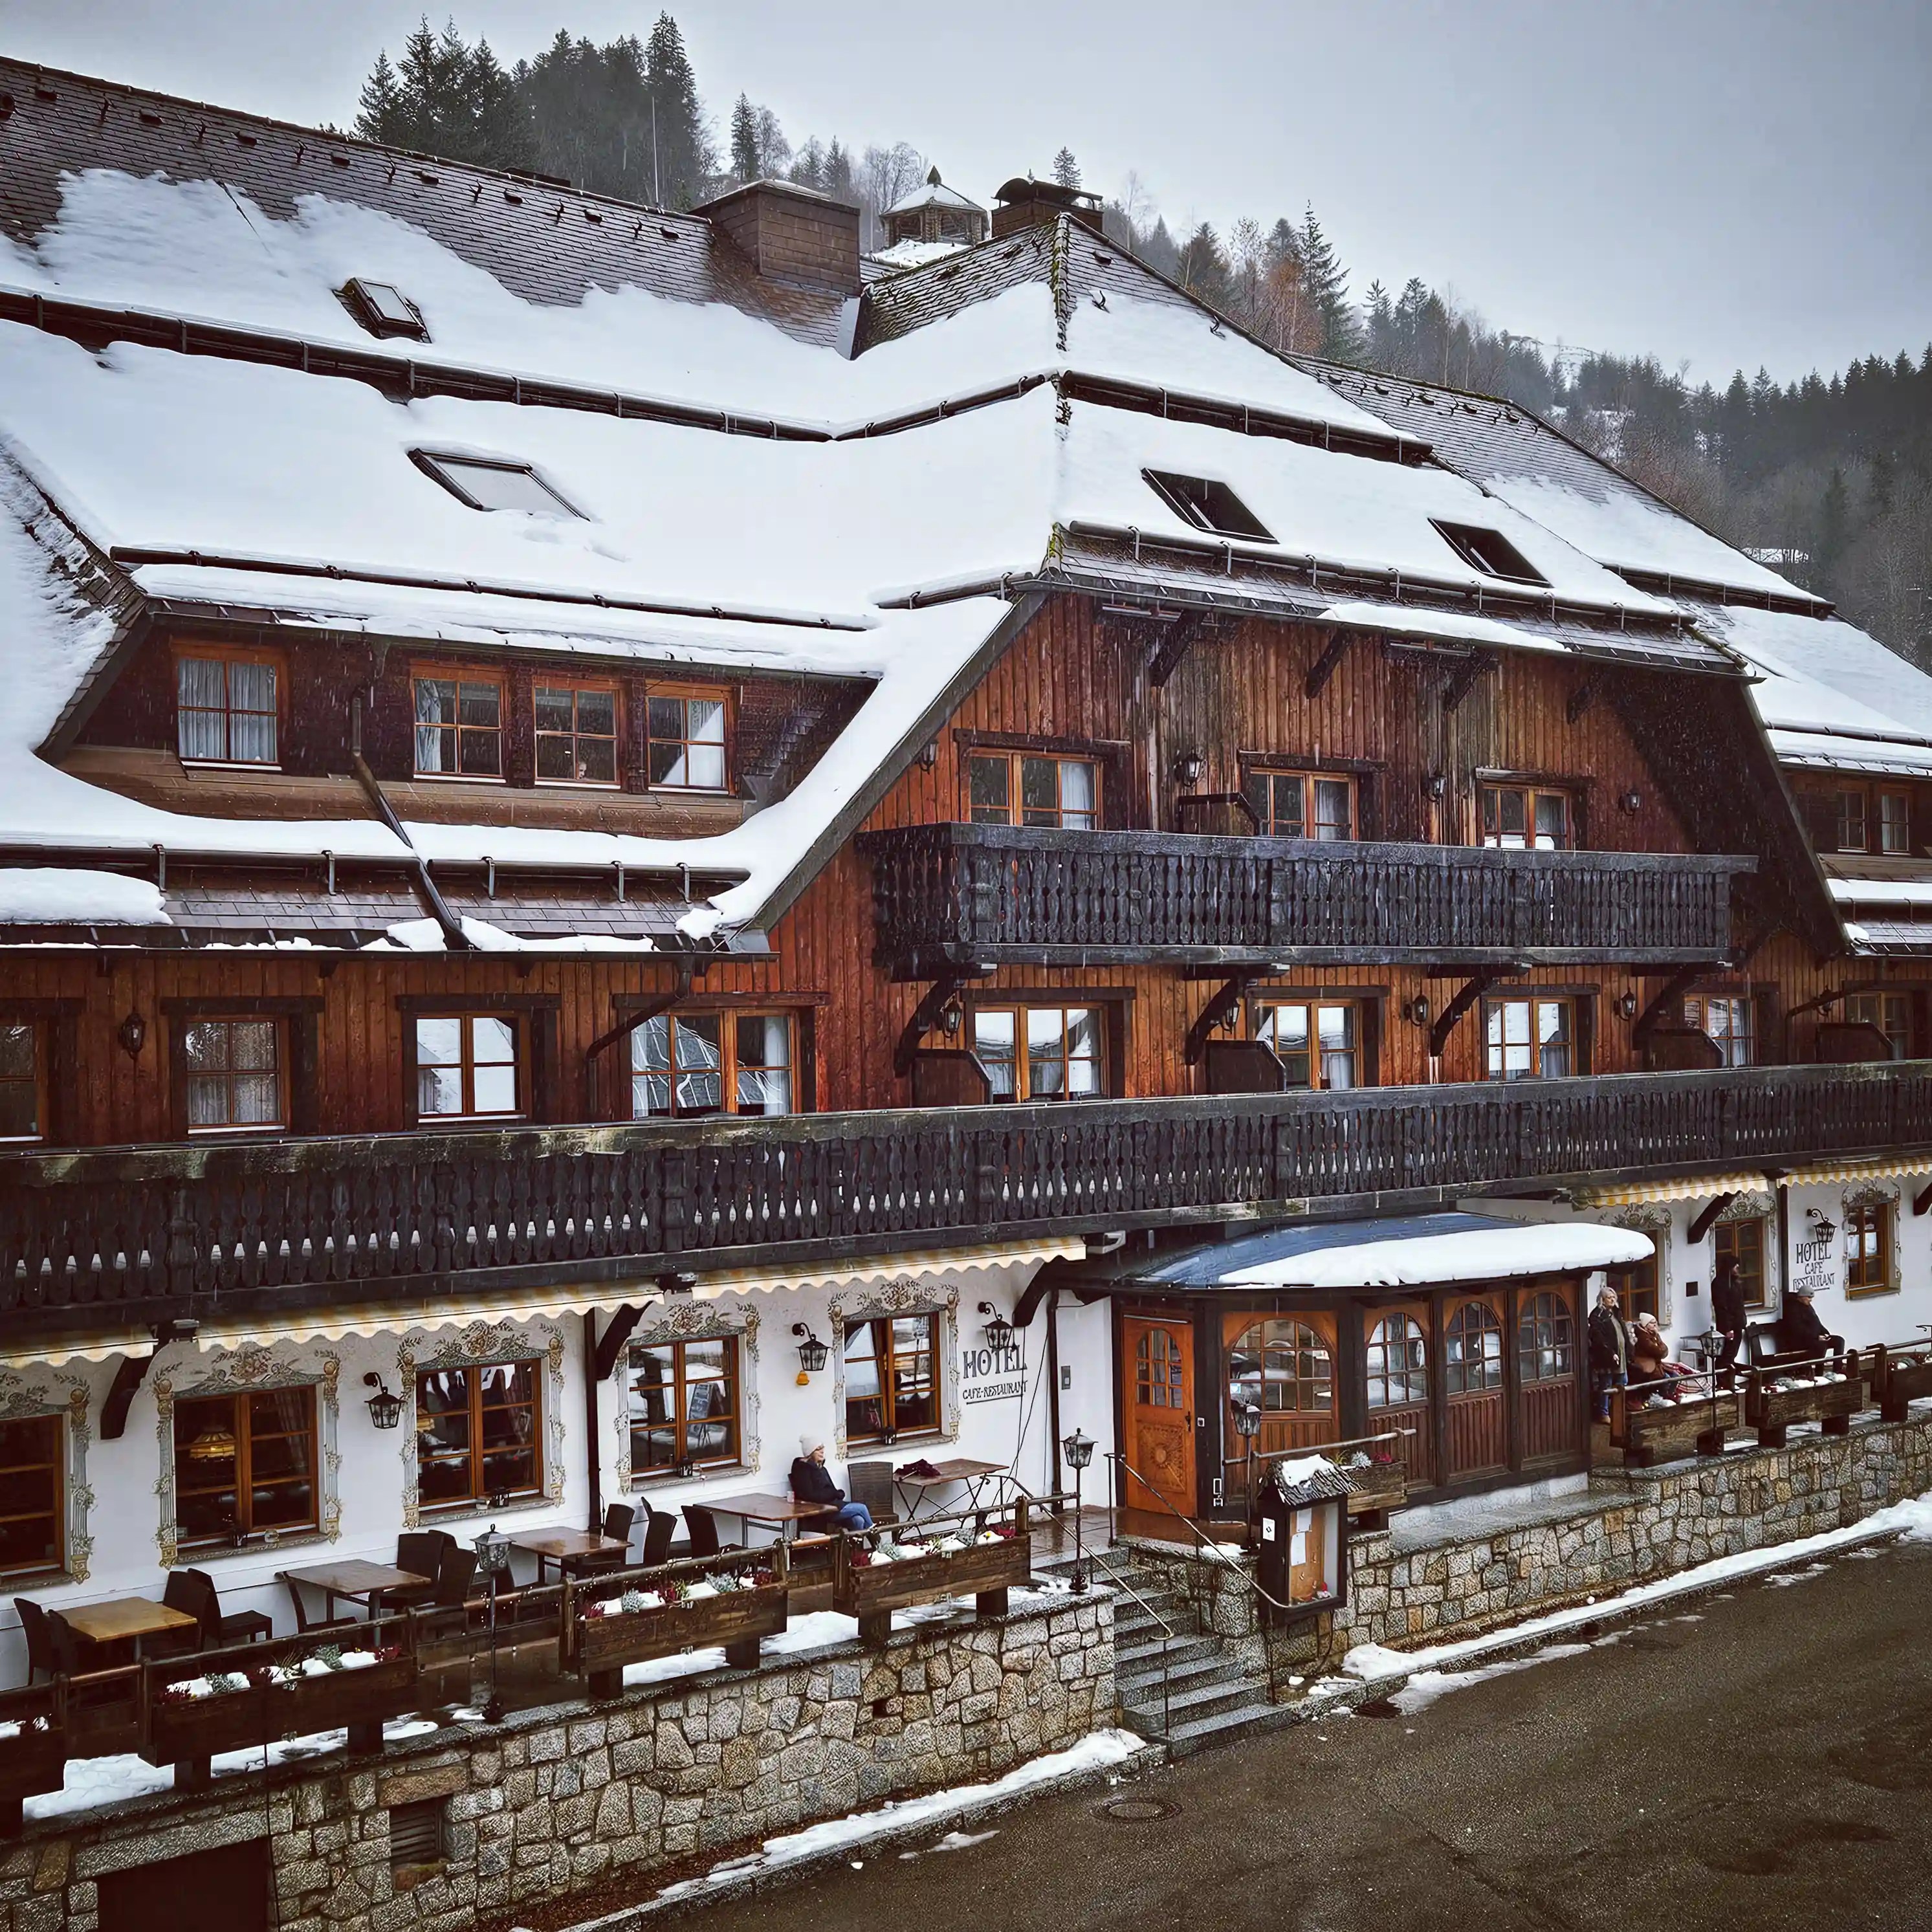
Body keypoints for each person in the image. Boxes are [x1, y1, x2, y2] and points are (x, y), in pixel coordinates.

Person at [789, 1432, 873, 1531]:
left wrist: (838, 1493)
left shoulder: (822, 1470)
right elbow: (811, 1496)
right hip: (823, 1510)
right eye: (818, 1449)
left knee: (858, 1520)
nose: (822, 1452)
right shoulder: (803, 1471)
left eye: (822, 1448)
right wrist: (835, 1494)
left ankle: (855, 1544)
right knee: (862, 1508)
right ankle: (876, 1538)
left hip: (832, 1505)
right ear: (810, 1453)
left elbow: (832, 1490)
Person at [1588, 1282, 1630, 1423]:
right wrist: (1610, 1352)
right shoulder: (1597, 1315)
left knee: (1622, 1382)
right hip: (1607, 1356)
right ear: (1602, 1299)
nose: (1612, 1300)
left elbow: (1623, 1332)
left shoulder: (1617, 1313)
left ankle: (1618, 1411)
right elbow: (1598, 1337)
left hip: (1621, 1354)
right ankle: (1603, 1413)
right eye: (1609, 1298)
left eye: (1614, 1297)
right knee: (1606, 1384)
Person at [1711, 1258, 1748, 1389]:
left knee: (1732, 1354)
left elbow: (1739, 1305)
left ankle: (1728, 1381)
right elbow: (1722, 1308)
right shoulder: (1720, 1284)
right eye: (1735, 1266)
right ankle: (1722, 1382)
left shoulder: (1735, 1283)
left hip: (1737, 1324)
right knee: (1725, 1354)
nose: (1737, 1268)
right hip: (1728, 1327)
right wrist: (1727, 1328)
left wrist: (1742, 1322)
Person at [1779, 1283, 1834, 1361]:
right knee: (1821, 1346)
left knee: (1839, 1341)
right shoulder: (1793, 1310)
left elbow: (1816, 1321)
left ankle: (1838, 1369)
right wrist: (1816, 1337)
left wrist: (1825, 1333)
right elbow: (1798, 1329)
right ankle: (1819, 1372)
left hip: (1814, 1337)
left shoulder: (1808, 1306)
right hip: (1802, 1340)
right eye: (1809, 1297)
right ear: (1802, 1297)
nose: (1811, 1300)